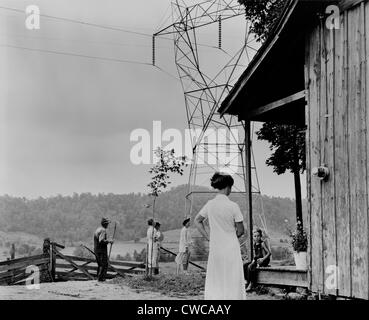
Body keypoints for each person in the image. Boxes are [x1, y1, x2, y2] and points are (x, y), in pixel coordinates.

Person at [194, 172, 246, 300]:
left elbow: (197, 220)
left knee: (216, 276)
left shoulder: (210, 204)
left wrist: (208, 237)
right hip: (231, 247)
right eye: (230, 187)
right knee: (232, 276)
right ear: (228, 187)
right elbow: (240, 231)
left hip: (216, 245)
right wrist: (231, 235)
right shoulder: (233, 206)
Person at [94, 217, 113, 282]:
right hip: (101, 251)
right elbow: (101, 240)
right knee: (104, 264)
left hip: (96, 250)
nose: (108, 225)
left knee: (100, 265)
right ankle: (101, 279)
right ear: (105, 224)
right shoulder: (103, 230)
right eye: (107, 223)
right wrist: (109, 241)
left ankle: (98, 278)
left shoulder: (98, 229)